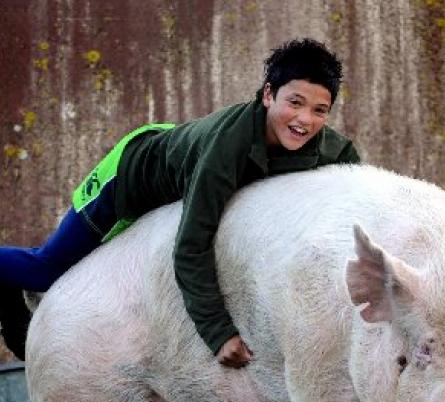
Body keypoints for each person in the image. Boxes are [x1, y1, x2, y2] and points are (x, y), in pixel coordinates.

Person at [0, 38, 360, 366]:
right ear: (268, 95)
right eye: (295, 103)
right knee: (46, 269)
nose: (305, 120)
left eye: (319, 110)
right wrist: (219, 333)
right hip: (128, 176)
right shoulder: (225, 151)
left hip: (181, 152)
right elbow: (190, 247)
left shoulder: (337, 152)